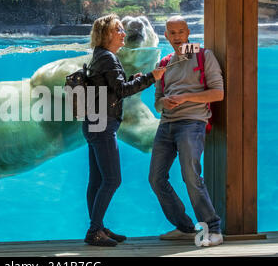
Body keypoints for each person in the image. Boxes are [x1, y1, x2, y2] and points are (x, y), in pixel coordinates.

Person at [82, 14, 166, 246]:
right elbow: (120, 91)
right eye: (117, 30)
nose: (123, 33)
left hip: (93, 122)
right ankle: (94, 231)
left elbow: (111, 88)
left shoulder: (100, 56)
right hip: (102, 124)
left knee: (97, 180)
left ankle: (98, 227)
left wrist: (132, 79)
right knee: (112, 179)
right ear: (106, 35)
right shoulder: (108, 58)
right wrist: (151, 77)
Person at [148, 15, 224, 246]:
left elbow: (218, 94)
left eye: (181, 32)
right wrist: (165, 103)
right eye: (173, 33)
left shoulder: (204, 56)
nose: (177, 37)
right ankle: (185, 227)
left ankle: (213, 229)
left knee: (191, 176)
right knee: (155, 179)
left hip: (192, 123)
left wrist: (184, 98)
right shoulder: (164, 63)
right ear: (166, 36)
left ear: (188, 32)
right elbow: (157, 101)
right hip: (166, 125)